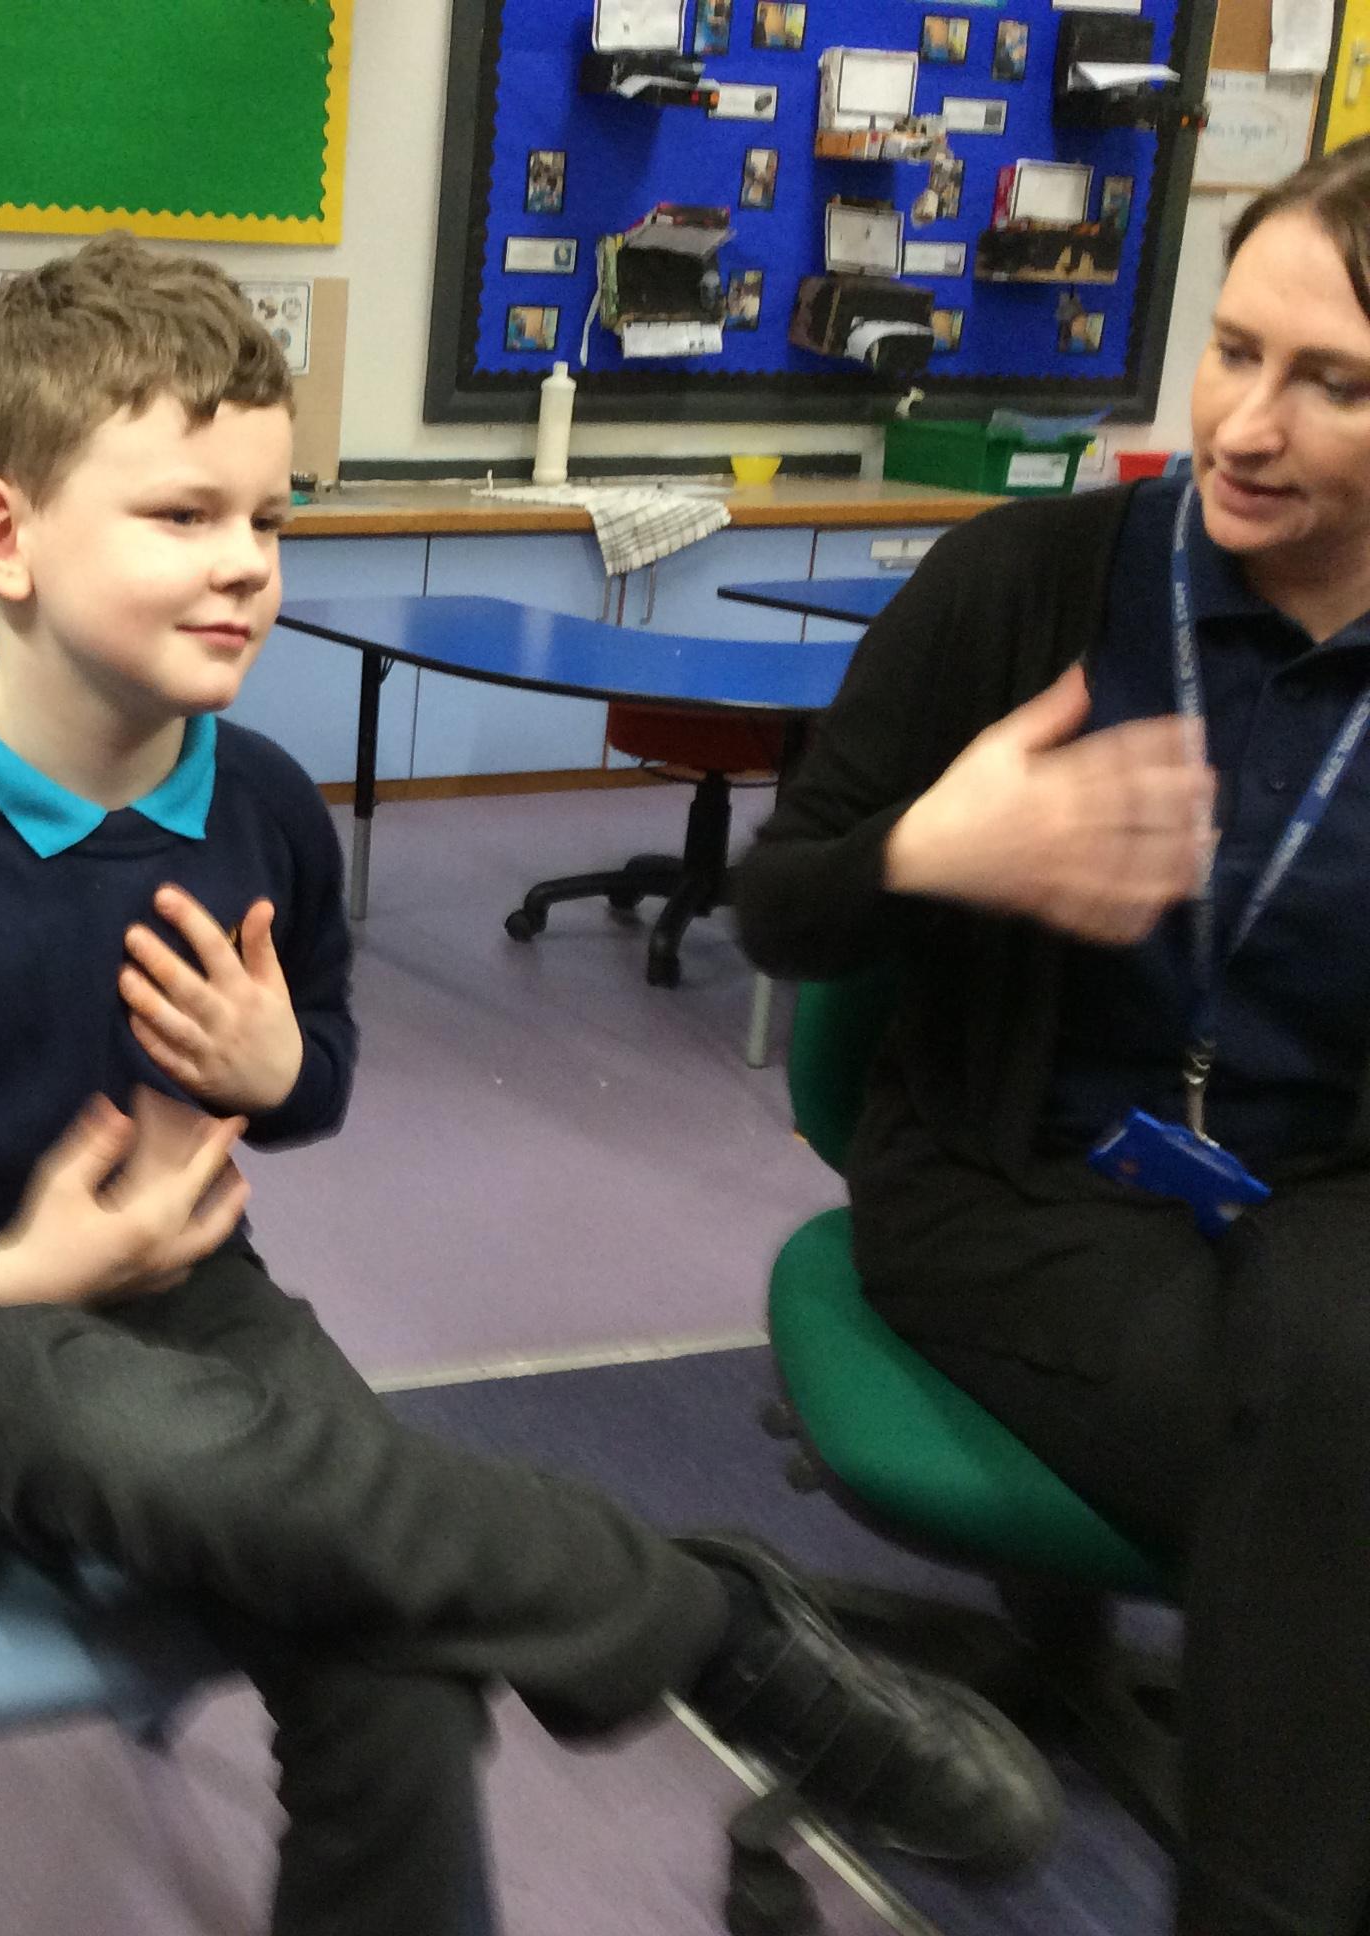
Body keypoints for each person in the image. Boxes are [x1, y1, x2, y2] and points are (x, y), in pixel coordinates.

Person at [0, 233, 1058, 1936]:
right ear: (2, 536)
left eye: (269, 516)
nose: (246, 564)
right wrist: (4, 1270)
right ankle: (710, 1629)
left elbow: (313, 1089)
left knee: (396, 1665)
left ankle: (686, 1634)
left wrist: (281, 1066)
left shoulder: (266, 813)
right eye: (183, 515)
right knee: (141, 1431)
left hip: (192, 1298)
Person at [738, 139, 1370, 1936]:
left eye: (1332, 385)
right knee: (1327, 1480)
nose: (1246, 424)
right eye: (1233, 351)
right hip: (1015, 1180)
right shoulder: (1025, 583)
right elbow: (782, 912)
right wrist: (936, 853)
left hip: (1324, 1186)